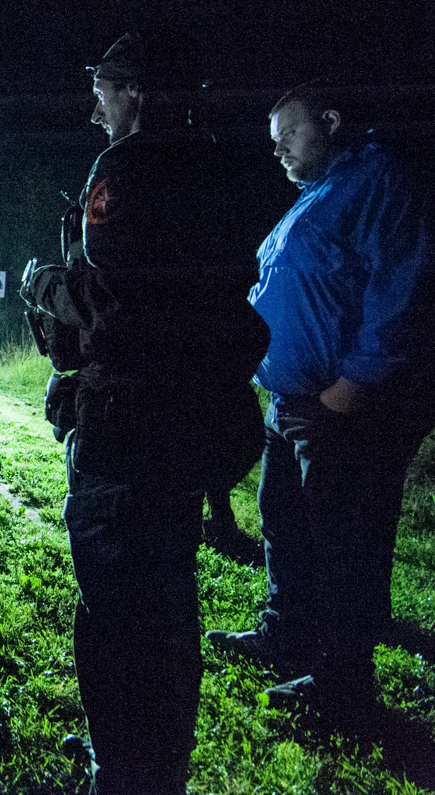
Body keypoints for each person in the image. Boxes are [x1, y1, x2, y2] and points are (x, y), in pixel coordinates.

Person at [19, 32, 268, 794]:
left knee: (114, 611)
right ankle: (153, 764)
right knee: (166, 605)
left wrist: (44, 285)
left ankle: (121, 769)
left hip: (127, 429)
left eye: (105, 87)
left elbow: (112, 309)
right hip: (190, 427)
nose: (94, 105)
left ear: (138, 93)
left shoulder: (125, 169)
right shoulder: (222, 167)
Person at [206, 81, 435, 726]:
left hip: (343, 403)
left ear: (331, 122)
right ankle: (286, 631)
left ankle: (342, 686)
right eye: (272, 143)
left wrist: (355, 382)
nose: (276, 152)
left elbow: (402, 283)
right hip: (293, 396)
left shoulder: (377, 178)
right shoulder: (315, 196)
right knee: (282, 518)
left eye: (288, 137)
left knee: (345, 540)